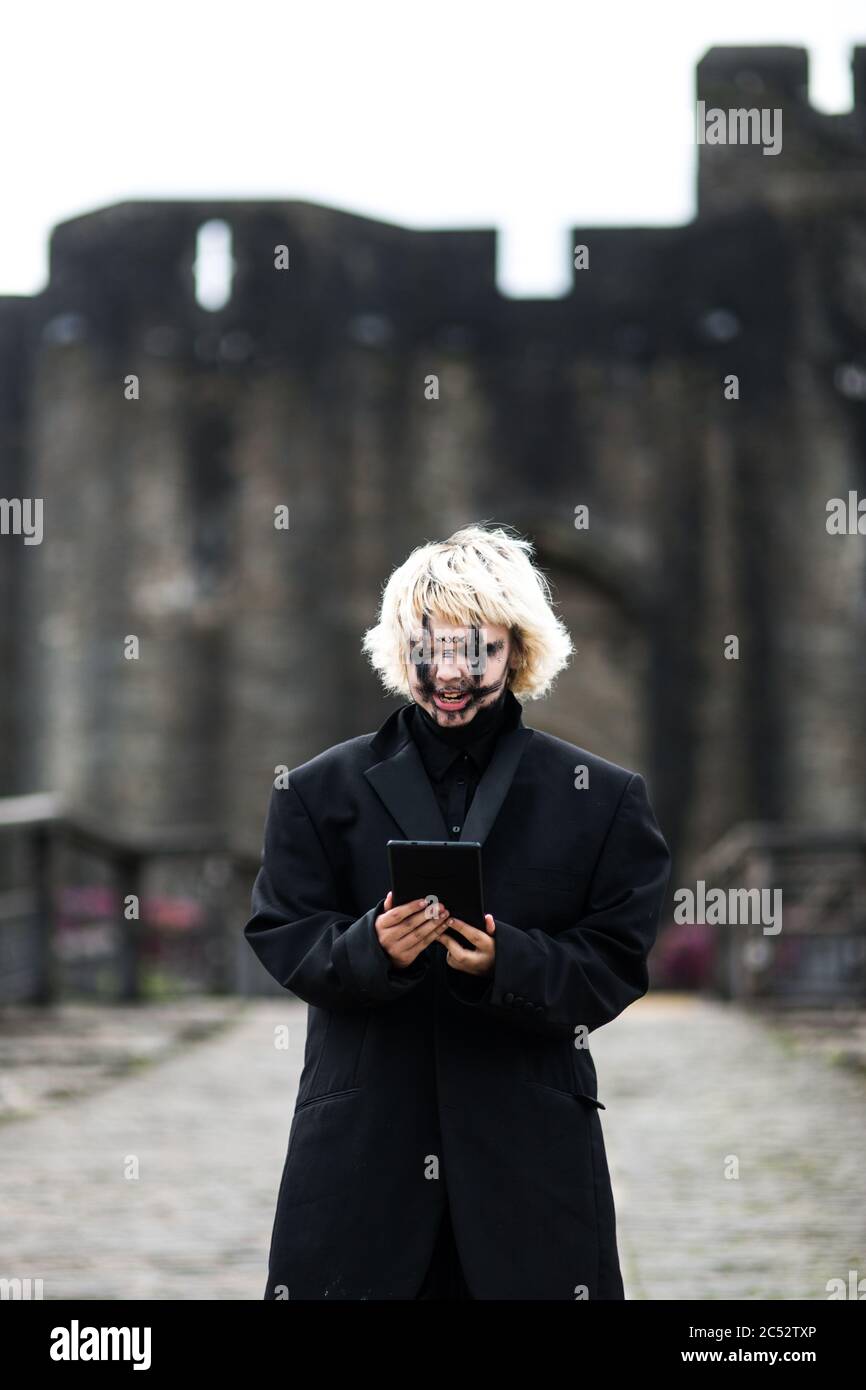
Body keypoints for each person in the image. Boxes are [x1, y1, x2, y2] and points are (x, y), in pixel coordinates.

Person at [244, 522, 671, 1299]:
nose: (448, 672)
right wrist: (370, 948)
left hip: (531, 1161)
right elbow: (282, 930)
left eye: (474, 650)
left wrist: (509, 964)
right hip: (362, 1158)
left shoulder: (605, 799)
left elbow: (617, 958)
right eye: (425, 648)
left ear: (518, 650)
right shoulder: (311, 792)